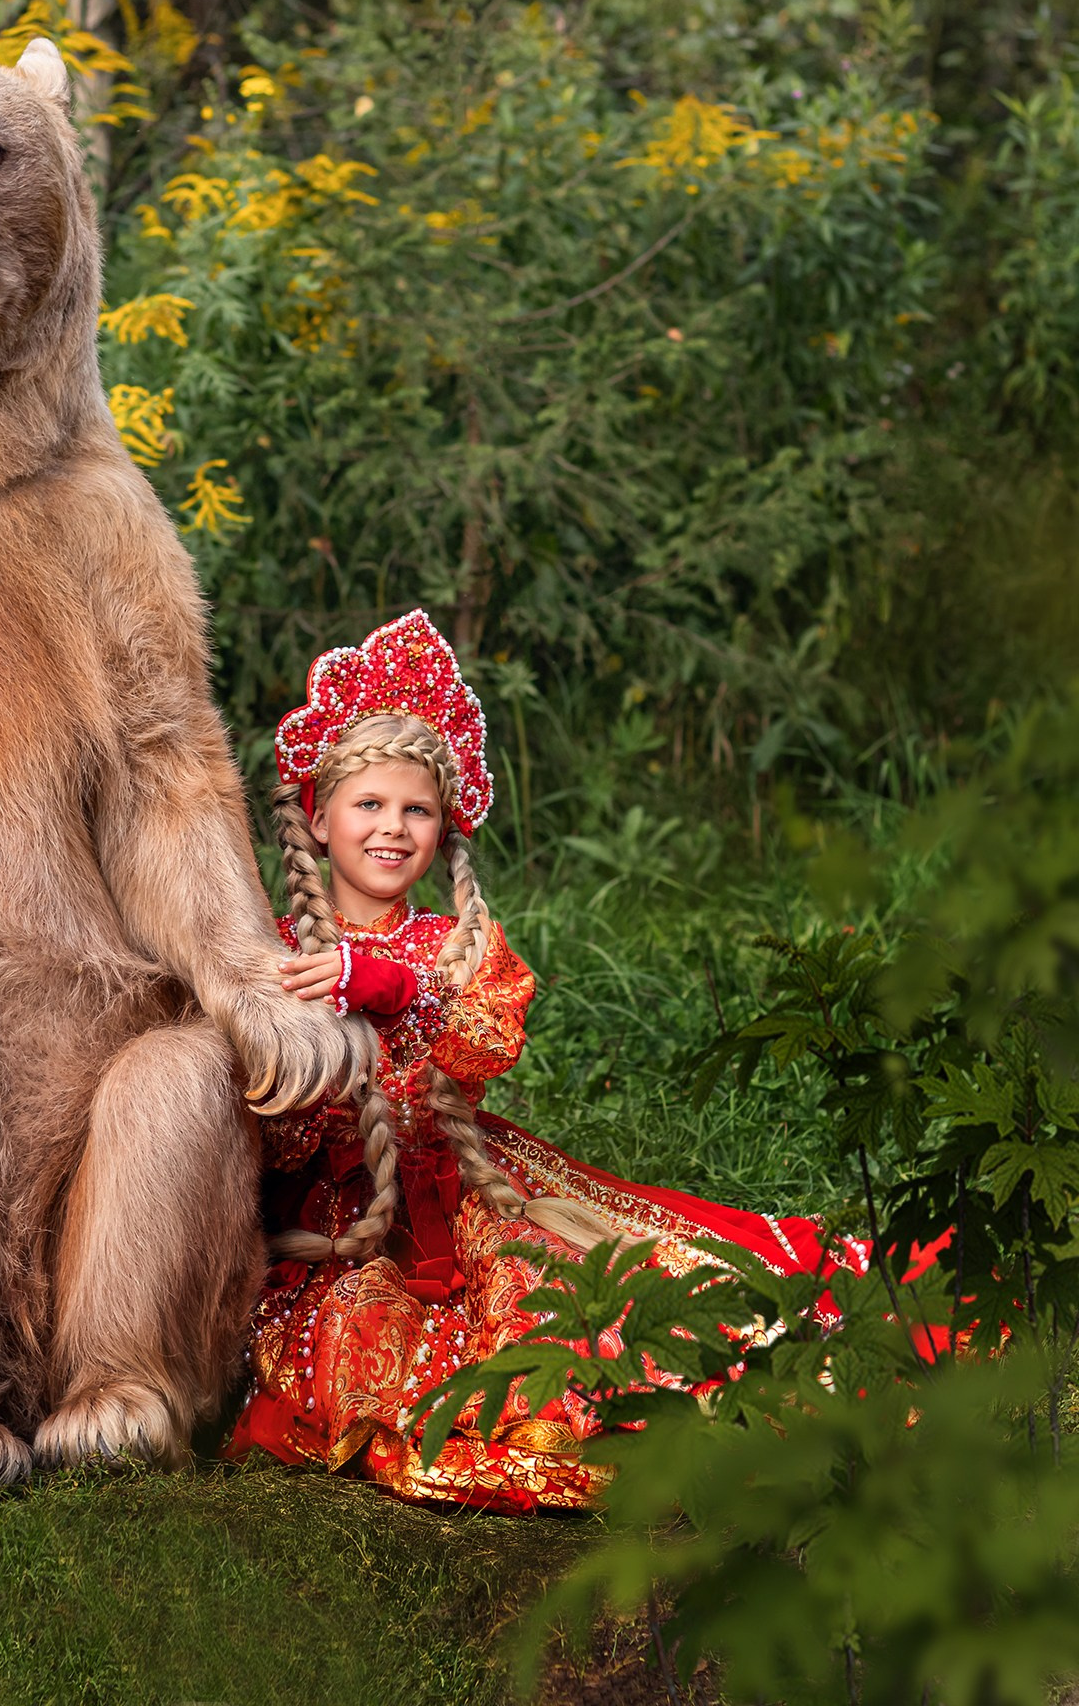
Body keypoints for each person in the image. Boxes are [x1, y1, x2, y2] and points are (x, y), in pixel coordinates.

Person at [226, 612, 850, 1513]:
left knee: (541, 1282)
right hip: (330, 1217)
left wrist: (394, 986)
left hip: (452, 1183)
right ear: (319, 822)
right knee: (363, 1318)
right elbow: (260, 1117)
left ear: (445, 829)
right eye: (369, 805)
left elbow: (483, 1042)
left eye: (418, 809)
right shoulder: (276, 951)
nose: (393, 829)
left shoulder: (460, 943)